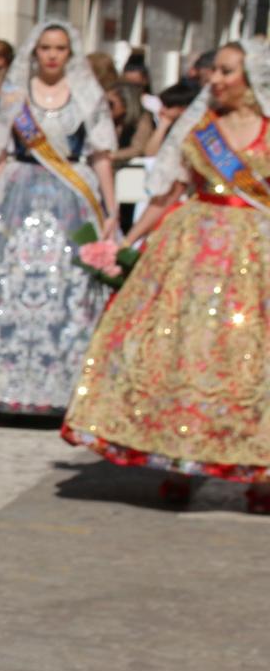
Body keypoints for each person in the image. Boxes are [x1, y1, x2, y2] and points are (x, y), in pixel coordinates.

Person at [62, 39, 270, 512]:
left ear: (252, 78)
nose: (214, 79)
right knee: (184, 352)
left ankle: (260, 472)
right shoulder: (198, 129)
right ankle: (179, 460)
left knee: (252, 361)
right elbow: (166, 195)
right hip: (193, 252)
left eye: (226, 71)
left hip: (256, 258)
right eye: (214, 70)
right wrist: (126, 242)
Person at [0, 20, 115, 416]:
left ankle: (62, 388)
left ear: (71, 53)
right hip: (17, 191)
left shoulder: (87, 95)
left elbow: (101, 154)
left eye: (60, 48)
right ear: (34, 53)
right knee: (2, 285)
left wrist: (111, 207)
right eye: (45, 48)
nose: (52, 55)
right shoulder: (15, 95)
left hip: (71, 196)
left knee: (68, 291)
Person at [107, 82, 155, 164]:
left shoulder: (143, 120)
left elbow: (138, 148)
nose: (106, 108)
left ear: (126, 103)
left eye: (110, 104)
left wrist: (111, 156)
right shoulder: (108, 121)